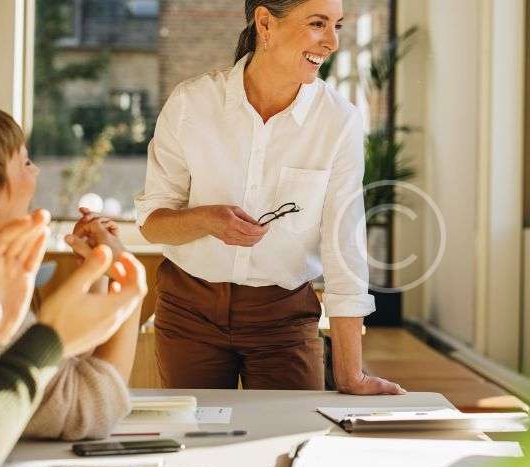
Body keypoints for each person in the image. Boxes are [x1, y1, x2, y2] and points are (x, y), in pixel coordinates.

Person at [136, 0, 402, 394]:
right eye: (318, 23)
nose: (331, 42)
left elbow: (344, 249)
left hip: (284, 318)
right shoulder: (191, 103)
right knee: (198, 432)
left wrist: (350, 374)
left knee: (291, 431)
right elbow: (152, 224)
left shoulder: (338, 122)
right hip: (189, 310)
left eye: (337, 26)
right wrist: (206, 220)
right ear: (265, 23)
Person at [0, 104, 146, 442]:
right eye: (25, 162)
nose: (35, 171)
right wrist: (129, 288)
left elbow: (57, 373)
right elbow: (88, 408)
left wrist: (97, 271)